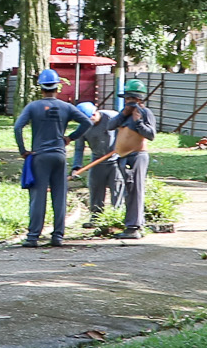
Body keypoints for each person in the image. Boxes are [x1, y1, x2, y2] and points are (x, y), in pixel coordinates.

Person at [74, 78, 157, 238]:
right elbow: (110, 126)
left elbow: (151, 135)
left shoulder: (146, 113)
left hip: (137, 156)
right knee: (128, 191)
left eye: (131, 99)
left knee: (135, 190)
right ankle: (130, 224)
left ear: (139, 99)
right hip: (124, 157)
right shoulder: (122, 114)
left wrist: (138, 122)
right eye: (126, 99)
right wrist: (124, 114)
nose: (128, 102)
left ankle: (133, 227)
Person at [13, 69, 77, 246]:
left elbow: (18, 127)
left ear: (41, 88)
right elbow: (86, 121)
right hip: (59, 155)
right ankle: (58, 236)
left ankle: (33, 237)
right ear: (58, 87)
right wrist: (71, 137)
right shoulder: (66, 107)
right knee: (59, 196)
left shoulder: (33, 107)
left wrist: (23, 150)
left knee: (38, 196)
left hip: (40, 156)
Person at [80, 95, 122, 215]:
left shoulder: (113, 117)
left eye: (92, 117)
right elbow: (79, 148)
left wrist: (122, 149)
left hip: (116, 160)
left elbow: (124, 133)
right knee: (95, 188)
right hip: (97, 160)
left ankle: (116, 217)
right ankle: (95, 217)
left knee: (117, 188)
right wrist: (76, 166)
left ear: (95, 112)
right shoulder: (83, 127)